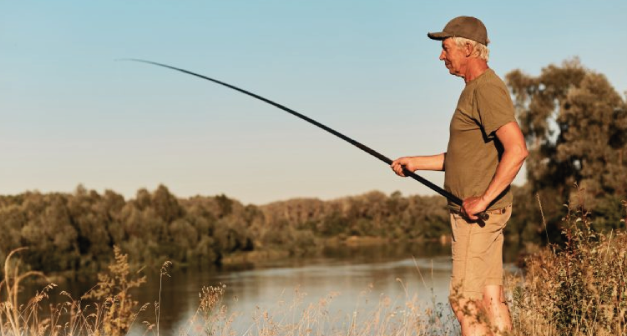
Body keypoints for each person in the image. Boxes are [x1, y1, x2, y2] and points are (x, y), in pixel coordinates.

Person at [391, 16, 528, 336]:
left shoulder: (485, 90)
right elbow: (464, 159)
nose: (441, 56)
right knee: (490, 297)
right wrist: (415, 162)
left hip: (476, 216)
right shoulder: (476, 90)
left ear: (468, 49)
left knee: (464, 302)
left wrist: (483, 199)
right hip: (485, 212)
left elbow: (517, 149)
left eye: (446, 48)